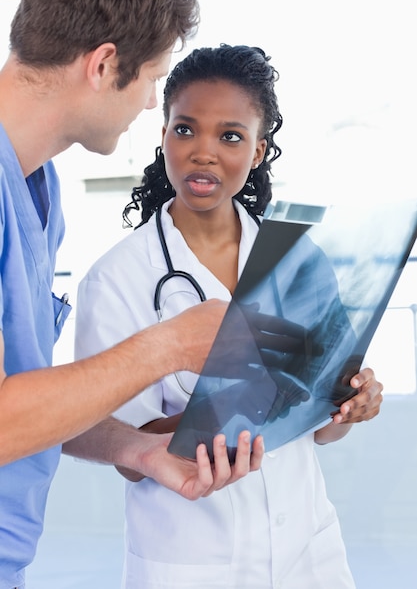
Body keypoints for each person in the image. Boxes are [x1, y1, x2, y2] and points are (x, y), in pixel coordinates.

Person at [0, 0, 289, 587]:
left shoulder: (35, 187)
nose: (150, 106)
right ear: (104, 66)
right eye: (155, 79)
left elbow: (34, 397)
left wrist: (138, 449)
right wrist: (171, 345)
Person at [72, 44, 384, 588]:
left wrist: (347, 404)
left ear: (260, 150)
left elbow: (319, 431)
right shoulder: (117, 278)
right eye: (185, 129)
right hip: (192, 557)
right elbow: (123, 449)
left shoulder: (298, 257)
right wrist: (236, 404)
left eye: (231, 136)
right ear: (163, 134)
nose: (203, 152)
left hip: (309, 552)